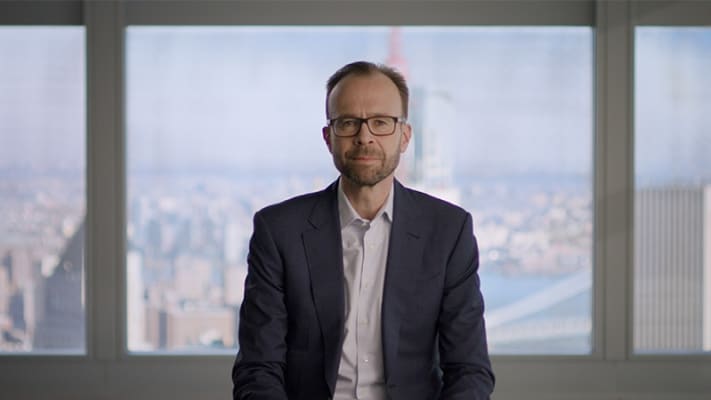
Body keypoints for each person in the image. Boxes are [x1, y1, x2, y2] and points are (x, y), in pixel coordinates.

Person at [232, 61, 494, 400]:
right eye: (348, 123)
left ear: (405, 136)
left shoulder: (448, 231)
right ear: (328, 138)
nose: (364, 136)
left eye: (381, 122)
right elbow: (258, 369)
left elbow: (469, 370)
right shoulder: (279, 230)